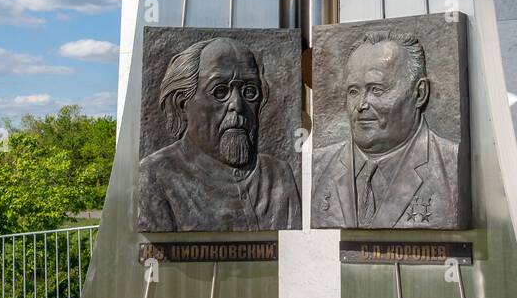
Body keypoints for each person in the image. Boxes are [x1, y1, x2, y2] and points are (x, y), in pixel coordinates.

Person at [138, 36, 300, 231]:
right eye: (220, 91)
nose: (237, 105)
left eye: (249, 92)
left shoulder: (278, 175)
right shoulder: (154, 176)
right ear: (182, 105)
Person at [313, 31, 460, 228]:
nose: (362, 105)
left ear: (419, 94)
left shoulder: (450, 166)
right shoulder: (319, 166)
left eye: (377, 90)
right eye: (354, 91)